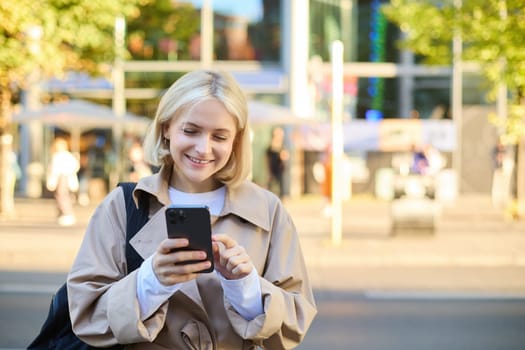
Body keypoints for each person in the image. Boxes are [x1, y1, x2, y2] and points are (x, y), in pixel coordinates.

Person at [67, 69, 317, 349]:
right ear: (166, 128)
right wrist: (152, 281)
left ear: (236, 140)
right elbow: (85, 314)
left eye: (220, 137)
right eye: (190, 131)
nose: (203, 148)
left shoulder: (268, 210)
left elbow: (294, 326)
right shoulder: (124, 205)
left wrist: (247, 288)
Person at [46, 137, 80, 226]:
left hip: (61, 178)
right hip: (67, 178)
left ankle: (66, 214)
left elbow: (54, 170)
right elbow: (76, 166)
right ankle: (64, 214)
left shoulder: (58, 156)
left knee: (62, 197)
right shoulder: (69, 156)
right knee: (64, 197)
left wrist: (52, 181)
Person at [265, 126, 289, 198]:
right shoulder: (271, 146)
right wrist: (268, 170)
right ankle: (270, 198)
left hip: (279, 168)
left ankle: (281, 198)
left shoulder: (282, 146)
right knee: (271, 185)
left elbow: (285, 156)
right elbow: (267, 158)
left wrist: (283, 156)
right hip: (272, 168)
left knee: (280, 184)